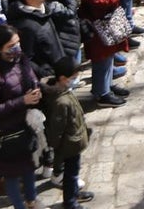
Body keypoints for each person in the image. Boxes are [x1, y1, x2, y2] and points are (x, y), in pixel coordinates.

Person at [0, 25, 43, 209]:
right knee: (13, 176)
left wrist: (36, 88)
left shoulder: (20, 60)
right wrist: (22, 101)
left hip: (27, 125)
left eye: (18, 43)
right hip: (8, 133)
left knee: (30, 166)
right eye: (12, 45)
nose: (17, 48)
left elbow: (31, 76)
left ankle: (32, 200)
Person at [42, 56, 95, 208]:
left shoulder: (65, 91)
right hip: (68, 144)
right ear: (63, 78)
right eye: (73, 78)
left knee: (74, 171)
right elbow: (57, 129)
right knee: (70, 173)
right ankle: (70, 202)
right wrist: (58, 147)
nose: (75, 80)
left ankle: (74, 193)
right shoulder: (61, 101)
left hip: (73, 141)